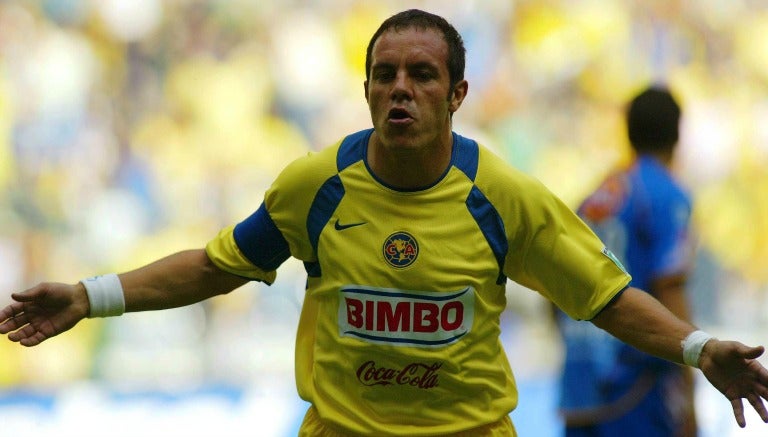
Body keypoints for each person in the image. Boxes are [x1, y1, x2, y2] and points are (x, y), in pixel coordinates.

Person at [1, 9, 767, 437]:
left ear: (457, 93)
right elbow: (214, 265)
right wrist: (89, 295)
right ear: (366, 88)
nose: (400, 88)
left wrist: (700, 349)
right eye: (385, 74)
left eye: (422, 74)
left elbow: (605, 296)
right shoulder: (316, 186)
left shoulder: (503, 195)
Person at [553, 86, 699, 437]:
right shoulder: (666, 195)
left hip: (579, 386)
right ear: (677, 134)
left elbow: (553, 282)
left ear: (628, 131)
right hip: (636, 388)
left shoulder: (594, 197)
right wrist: (690, 386)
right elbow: (670, 286)